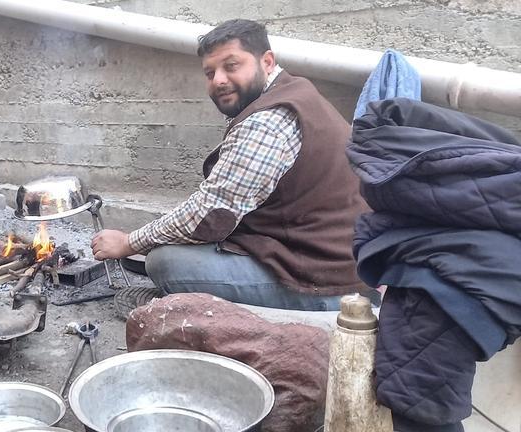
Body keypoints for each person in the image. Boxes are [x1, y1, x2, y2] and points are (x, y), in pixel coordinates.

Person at [92, 19, 373, 311]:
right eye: (210, 72)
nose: (218, 80)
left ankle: (293, 312)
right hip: (320, 254)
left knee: (164, 262)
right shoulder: (292, 91)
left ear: (266, 61)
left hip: (327, 282)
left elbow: (210, 213)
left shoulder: (269, 122)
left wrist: (128, 242)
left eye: (231, 66)